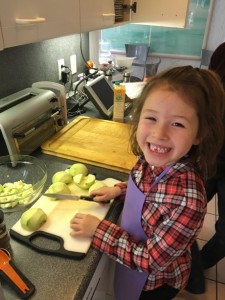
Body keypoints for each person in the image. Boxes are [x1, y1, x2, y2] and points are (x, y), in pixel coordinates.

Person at [70, 66, 225, 300]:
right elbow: (144, 189)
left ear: (199, 134)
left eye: (178, 124)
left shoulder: (188, 200)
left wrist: (99, 230)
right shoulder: (150, 159)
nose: (159, 133)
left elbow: (151, 261)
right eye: (151, 118)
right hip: (129, 263)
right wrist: (119, 190)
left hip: (156, 284)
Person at [186, 42, 225, 294]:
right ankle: (190, 266)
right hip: (213, 158)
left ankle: (197, 266)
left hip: (212, 157)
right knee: (188, 210)